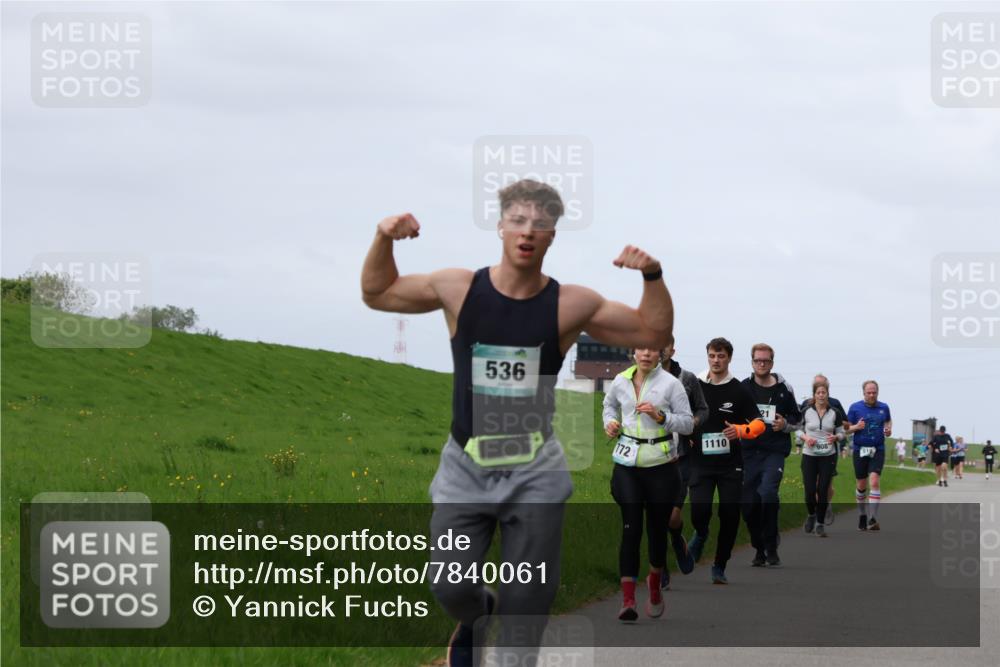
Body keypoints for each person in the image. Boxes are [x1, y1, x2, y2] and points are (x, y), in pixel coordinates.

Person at [361, 179, 674, 666]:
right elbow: (377, 292)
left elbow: (654, 331)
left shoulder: (570, 304)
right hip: (465, 464)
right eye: (519, 221)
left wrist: (652, 275)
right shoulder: (459, 288)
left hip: (534, 471)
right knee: (451, 586)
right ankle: (477, 614)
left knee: (526, 607)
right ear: (501, 226)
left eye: (541, 225)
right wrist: (383, 237)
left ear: (552, 237)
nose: (528, 232)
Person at [603, 347, 693, 621]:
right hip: (627, 465)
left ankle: (654, 584)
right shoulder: (620, 381)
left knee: (656, 532)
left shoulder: (671, 384)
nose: (646, 354)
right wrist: (611, 422)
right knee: (631, 529)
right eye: (641, 348)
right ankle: (628, 599)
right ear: (633, 353)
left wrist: (661, 417)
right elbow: (608, 406)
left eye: (652, 349)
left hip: (661, 467)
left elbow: (688, 424)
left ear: (659, 354)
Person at [687, 337, 766, 584]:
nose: (716, 360)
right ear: (707, 356)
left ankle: (719, 565)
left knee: (730, 514)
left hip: (731, 464)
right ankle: (700, 534)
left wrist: (741, 431)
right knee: (699, 511)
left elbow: (759, 423)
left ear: (729, 358)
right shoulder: (695, 385)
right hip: (699, 462)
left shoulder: (739, 390)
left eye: (721, 356)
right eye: (712, 355)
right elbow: (682, 415)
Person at [740, 343, 800, 567]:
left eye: (765, 361)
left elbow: (797, 419)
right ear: (752, 362)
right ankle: (759, 547)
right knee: (748, 505)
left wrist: (785, 424)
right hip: (748, 453)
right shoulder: (743, 388)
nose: (761, 364)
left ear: (772, 363)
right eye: (757, 360)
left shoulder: (784, 389)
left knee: (767, 494)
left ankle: (771, 544)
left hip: (774, 451)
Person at [660, 340, 708, 591]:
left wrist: (694, 422)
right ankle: (661, 569)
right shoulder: (641, 379)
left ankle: (677, 539)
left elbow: (702, 408)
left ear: (672, 350)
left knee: (673, 515)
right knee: (658, 516)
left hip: (682, 455)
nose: (659, 349)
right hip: (652, 455)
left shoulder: (687, 379)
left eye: (664, 345)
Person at [796, 379, 845, 538]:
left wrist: (836, 437)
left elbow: (842, 432)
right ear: (814, 395)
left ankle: (820, 524)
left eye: (824, 392)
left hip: (828, 456)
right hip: (809, 455)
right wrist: (805, 438)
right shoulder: (806, 411)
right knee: (810, 491)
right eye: (818, 392)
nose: (821, 395)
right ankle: (811, 515)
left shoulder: (834, 412)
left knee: (822, 490)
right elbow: (797, 429)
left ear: (828, 394)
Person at [846, 381, 892, 531]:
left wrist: (888, 429)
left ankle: (873, 518)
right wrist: (856, 427)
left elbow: (888, 420)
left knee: (874, 481)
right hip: (860, 449)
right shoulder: (855, 408)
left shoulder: (884, 407)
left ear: (877, 392)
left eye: (874, 392)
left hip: (877, 449)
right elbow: (845, 429)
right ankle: (862, 514)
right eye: (869, 393)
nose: (872, 395)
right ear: (863, 393)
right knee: (861, 485)